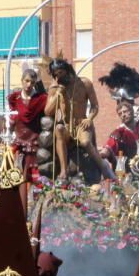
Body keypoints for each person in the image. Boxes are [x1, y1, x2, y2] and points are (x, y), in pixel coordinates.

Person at [45, 54, 112, 183]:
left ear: (67, 69)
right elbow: (48, 111)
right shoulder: (54, 88)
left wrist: (90, 118)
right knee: (58, 129)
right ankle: (63, 171)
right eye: (56, 74)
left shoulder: (84, 83)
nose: (59, 76)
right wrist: (58, 94)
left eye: (61, 72)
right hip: (66, 125)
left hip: (81, 123)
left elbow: (95, 105)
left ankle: (103, 166)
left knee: (86, 142)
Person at [7, 68, 48, 180]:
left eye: (32, 82)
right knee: (15, 179)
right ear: (22, 80)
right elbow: (10, 121)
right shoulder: (14, 98)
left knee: (35, 181)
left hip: (35, 146)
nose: (29, 85)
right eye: (27, 81)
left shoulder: (40, 99)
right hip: (18, 145)